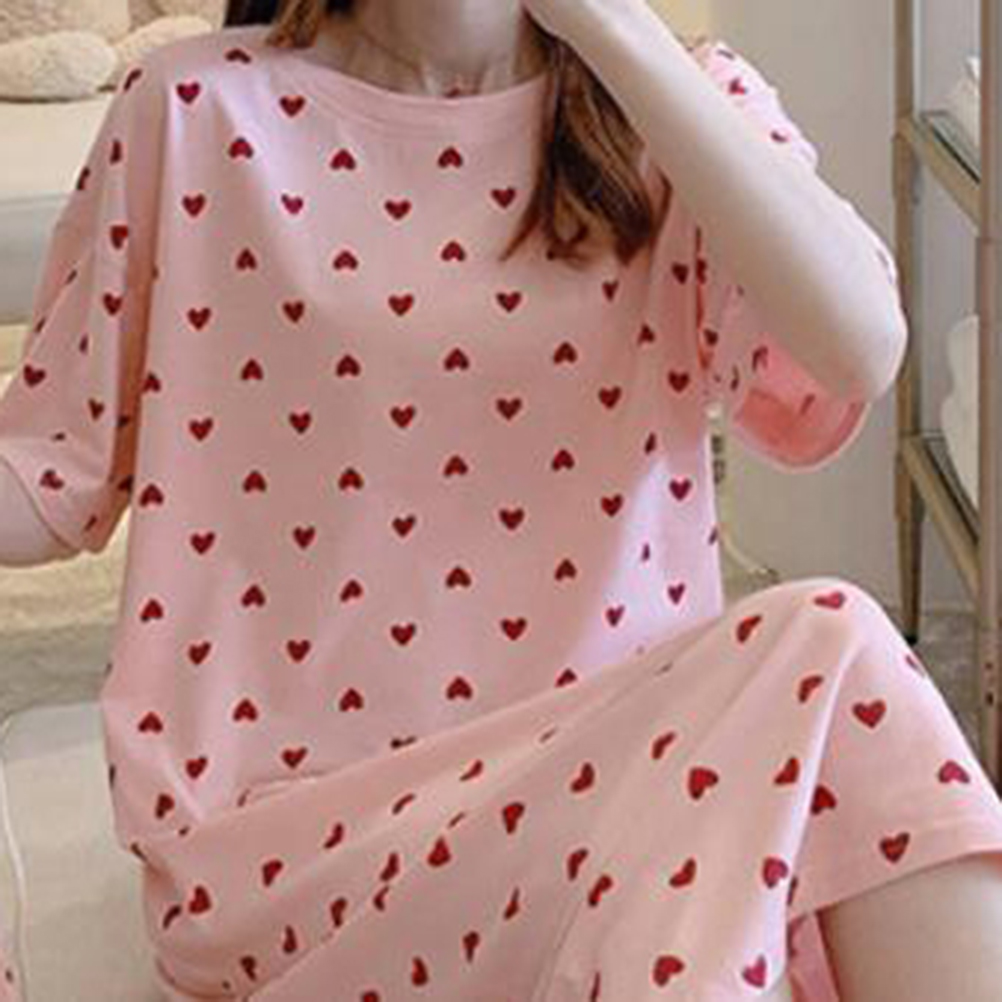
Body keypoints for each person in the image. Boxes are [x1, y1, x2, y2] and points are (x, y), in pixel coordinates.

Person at [1, 0, 1001, 999]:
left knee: (809, 707)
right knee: (826, 651)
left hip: (619, 819)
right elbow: (50, 477)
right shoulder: (193, 112)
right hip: (287, 859)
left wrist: (613, 32)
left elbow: (860, 347)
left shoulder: (678, 111)